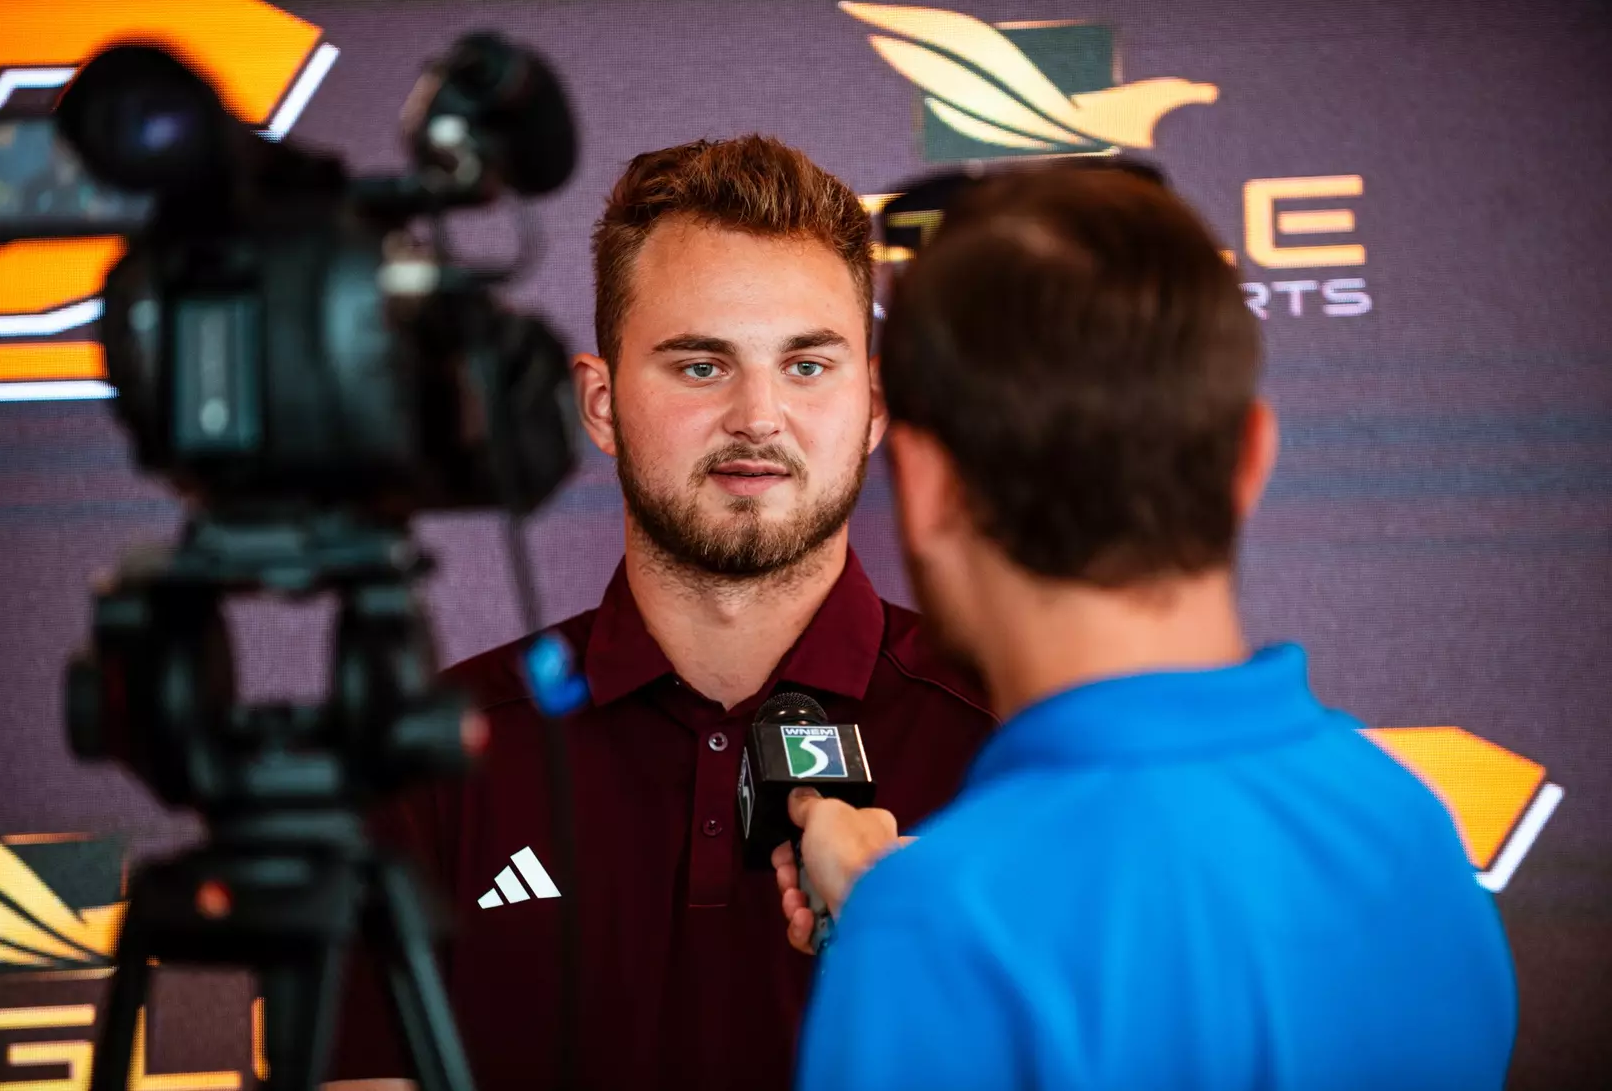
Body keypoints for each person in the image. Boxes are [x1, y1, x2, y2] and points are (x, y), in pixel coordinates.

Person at [776, 166, 1518, 1089]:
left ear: (926, 487)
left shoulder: (944, 931)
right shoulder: (1409, 830)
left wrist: (896, 924)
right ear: (1253, 455)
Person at [325, 135, 994, 1091]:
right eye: (699, 366)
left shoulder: (1008, 740)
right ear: (599, 403)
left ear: (875, 405)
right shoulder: (429, 759)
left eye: (807, 367)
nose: (758, 417)